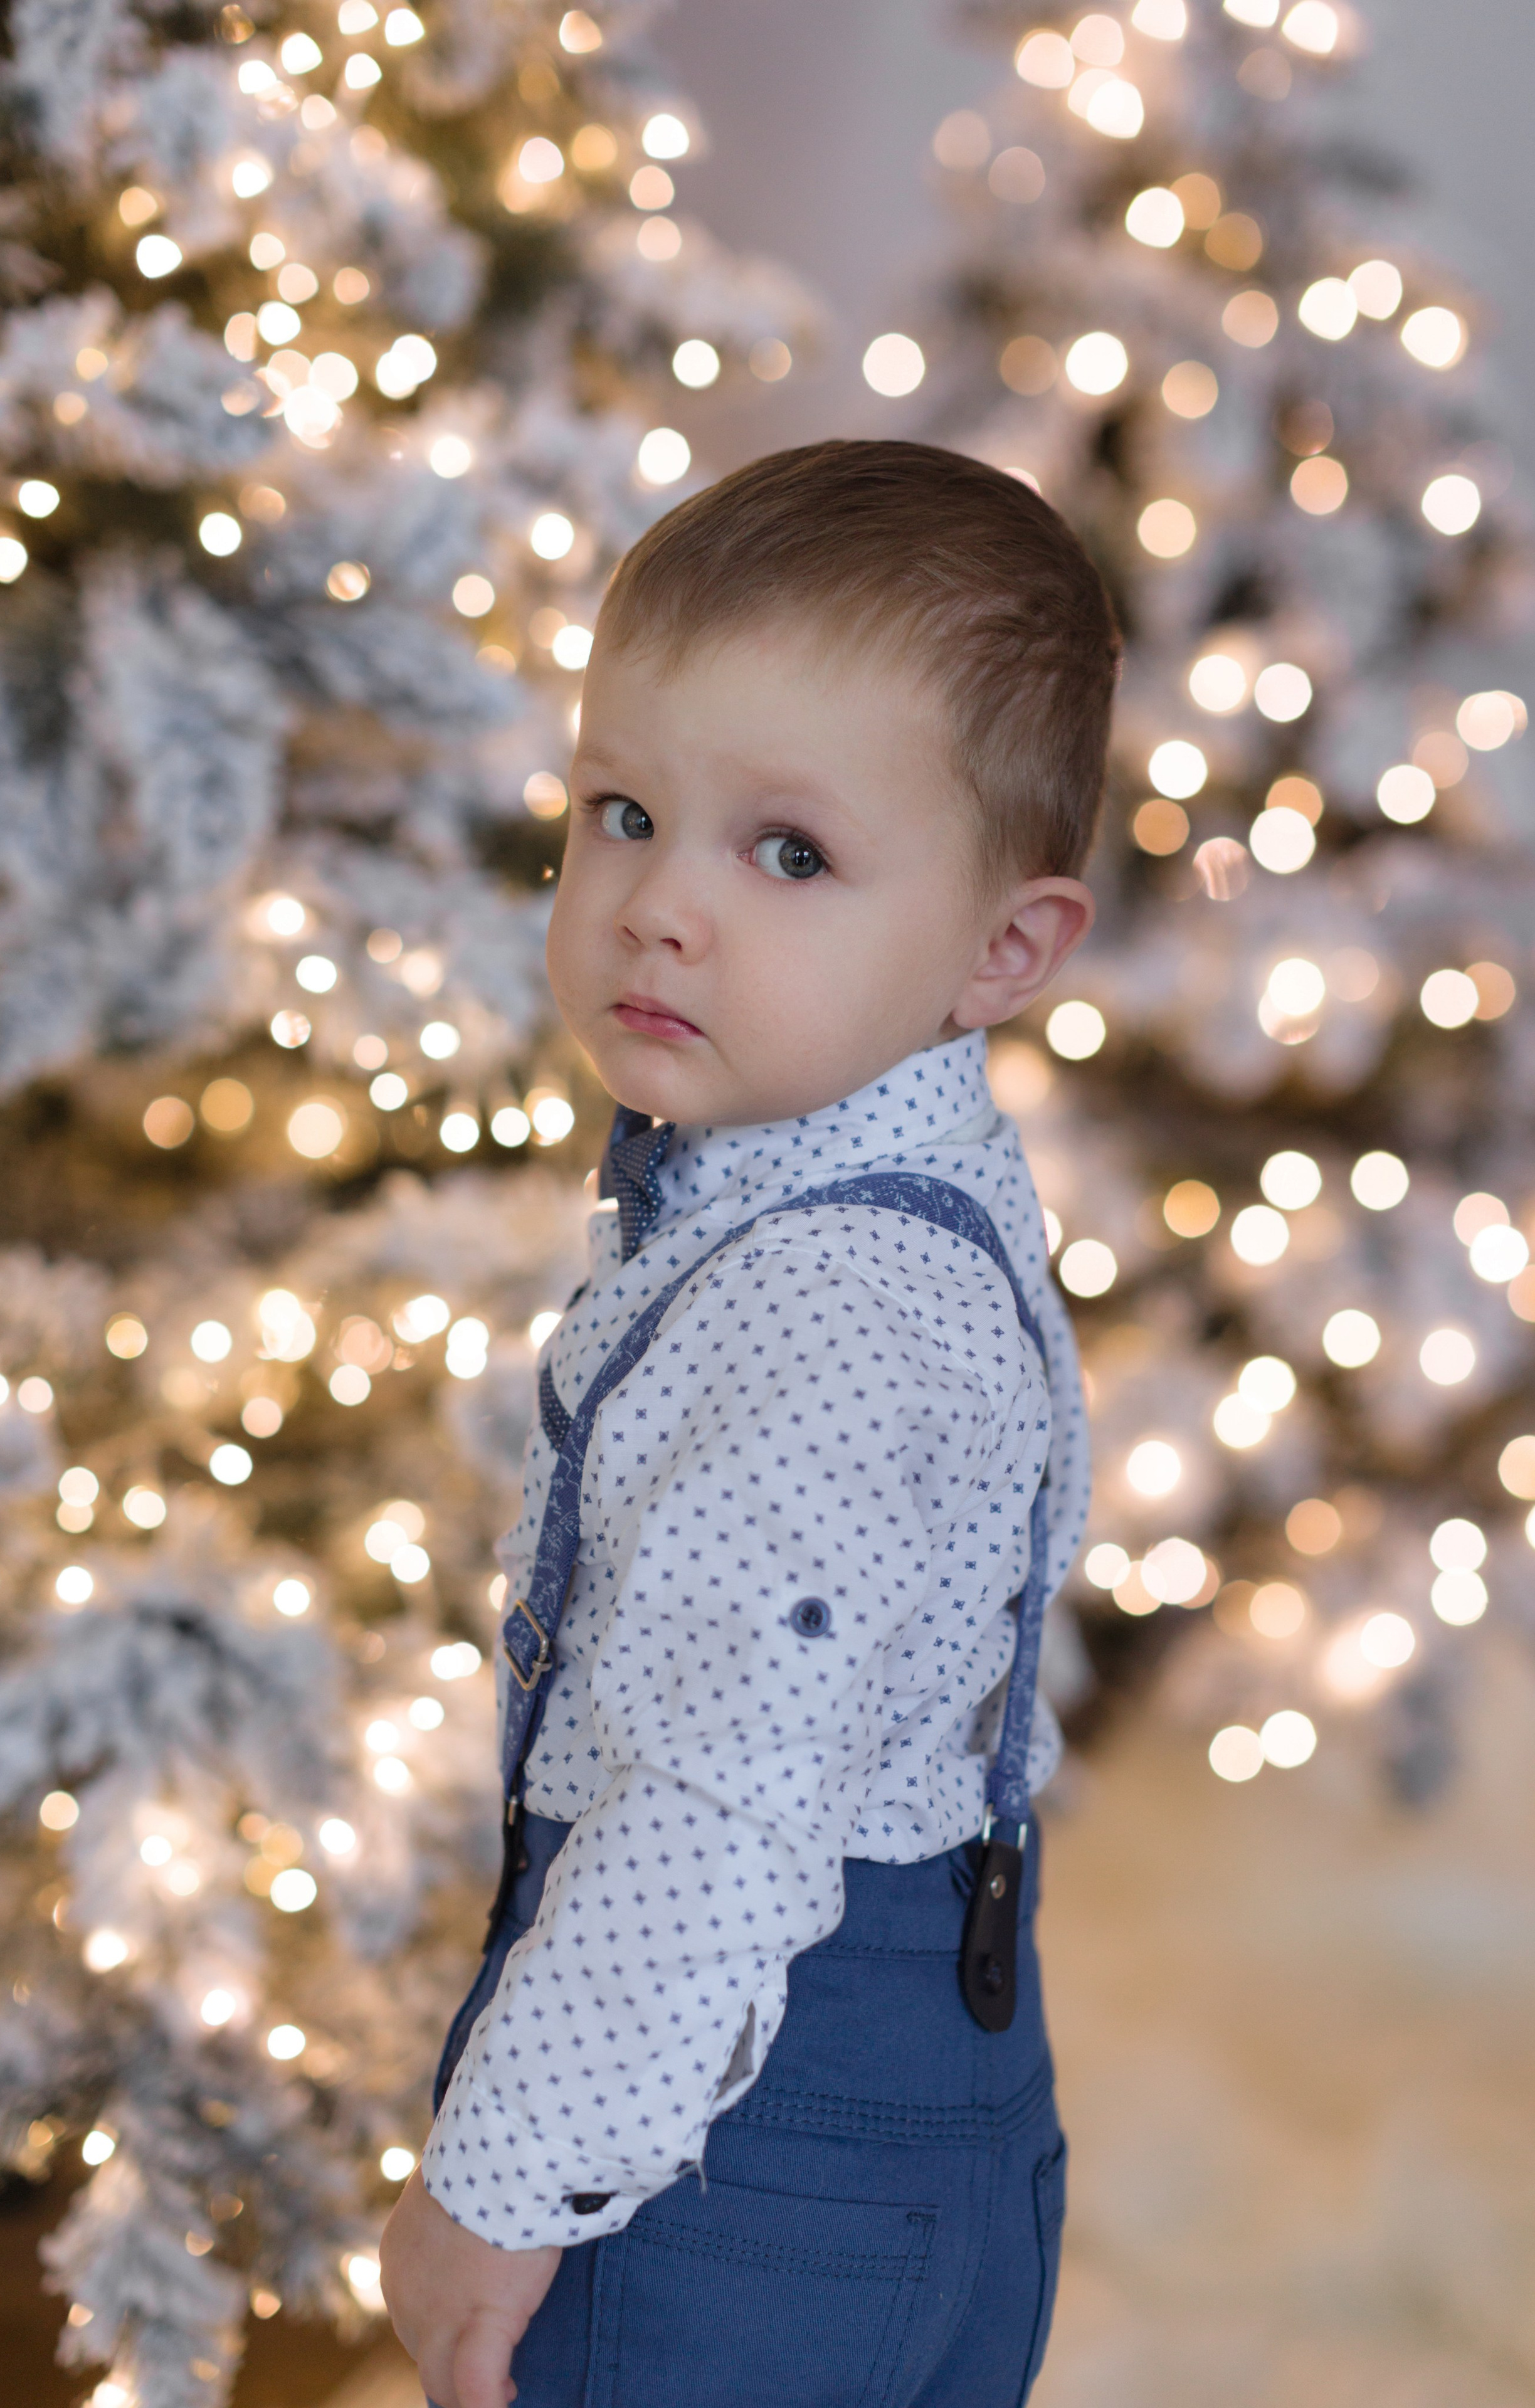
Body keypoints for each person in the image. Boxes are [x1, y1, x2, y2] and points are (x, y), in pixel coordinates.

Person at [381, 438, 1118, 2408]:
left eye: (785, 852)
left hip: (736, 2181)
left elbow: (710, 1819)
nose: (656, 910)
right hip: (939, 2124)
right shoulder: (905, 1194)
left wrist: (504, 2189)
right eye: (622, 812)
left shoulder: (819, 1307)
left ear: (1003, 951)